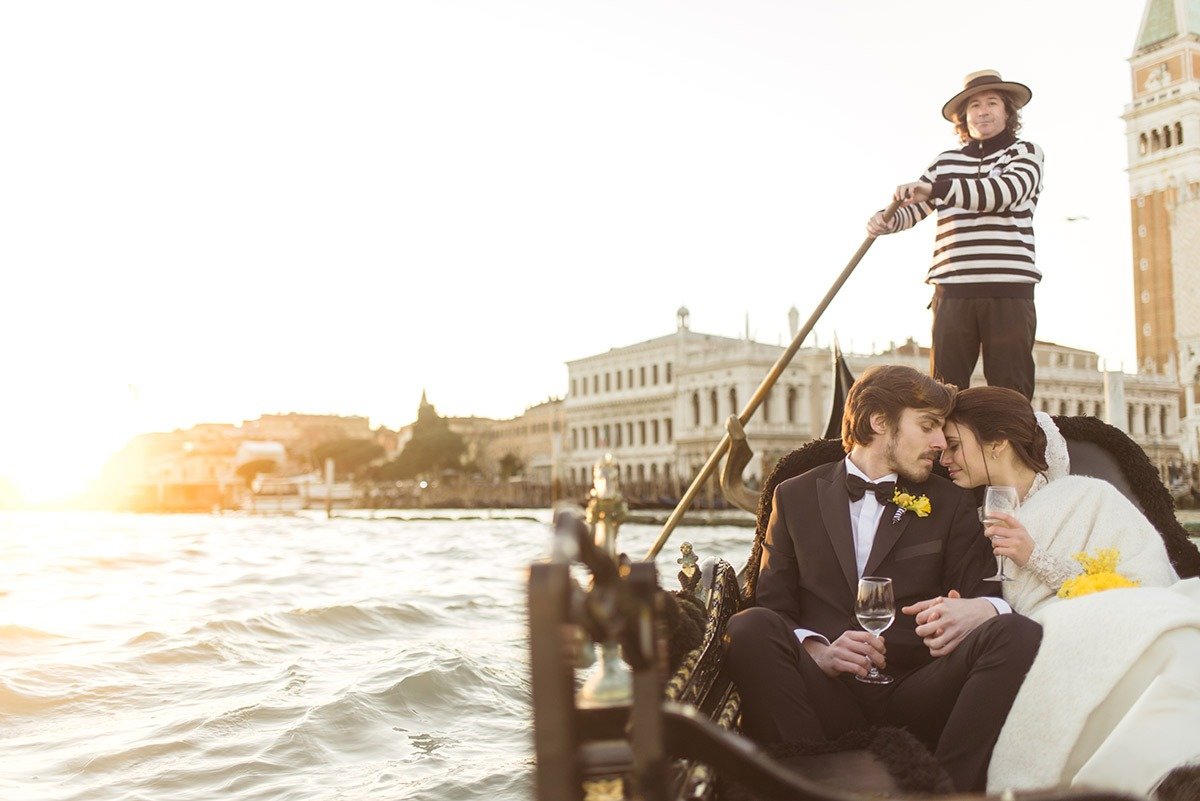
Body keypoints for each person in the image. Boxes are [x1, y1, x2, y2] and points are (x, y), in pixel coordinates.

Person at [724, 365, 1042, 792]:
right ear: (879, 421)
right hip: (826, 690)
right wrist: (818, 651)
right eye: (928, 426)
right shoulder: (794, 495)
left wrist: (982, 608)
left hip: (913, 690)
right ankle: (805, 785)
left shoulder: (950, 501)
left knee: (1015, 632)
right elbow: (773, 606)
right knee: (749, 627)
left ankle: (946, 789)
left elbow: (986, 592)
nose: (938, 444)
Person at [941, 385, 1200, 797]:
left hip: (1114, 613)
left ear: (997, 443)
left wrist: (1035, 556)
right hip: (1033, 637)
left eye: (954, 446)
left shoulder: (1089, 496)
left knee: (1169, 633)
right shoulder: (961, 517)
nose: (945, 459)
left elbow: (1144, 578)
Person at [866, 70, 1044, 400]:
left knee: (1010, 393)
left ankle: (1012, 451)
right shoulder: (945, 163)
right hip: (952, 291)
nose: (983, 111)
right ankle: (944, 452)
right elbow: (915, 209)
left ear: (1007, 111)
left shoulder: (1025, 153)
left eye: (992, 103)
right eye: (975, 105)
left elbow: (1002, 192)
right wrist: (884, 220)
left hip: (1008, 290)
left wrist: (935, 188)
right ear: (964, 116)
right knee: (943, 392)